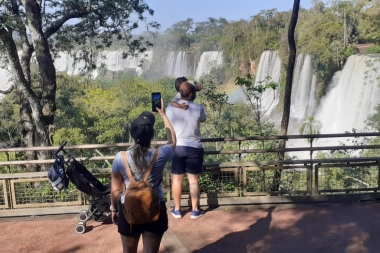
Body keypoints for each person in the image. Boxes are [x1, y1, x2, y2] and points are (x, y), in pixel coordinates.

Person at [110, 100, 176, 253]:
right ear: (152, 134)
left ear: (132, 134)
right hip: (155, 208)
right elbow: (173, 141)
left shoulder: (121, 157)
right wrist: (163, 115)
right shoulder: (161, 153)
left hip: (128, 209)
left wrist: (114, 209)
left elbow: (115, 190)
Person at [166, 81, 207, 219]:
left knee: (177, 180)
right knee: (193, 180)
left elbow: (176, 99)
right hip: (194, 147)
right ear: (192, 94)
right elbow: (203, 119)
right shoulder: (198, 108)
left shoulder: (170, 108)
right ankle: (195, 210)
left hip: (177, 147)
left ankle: (177, 210)